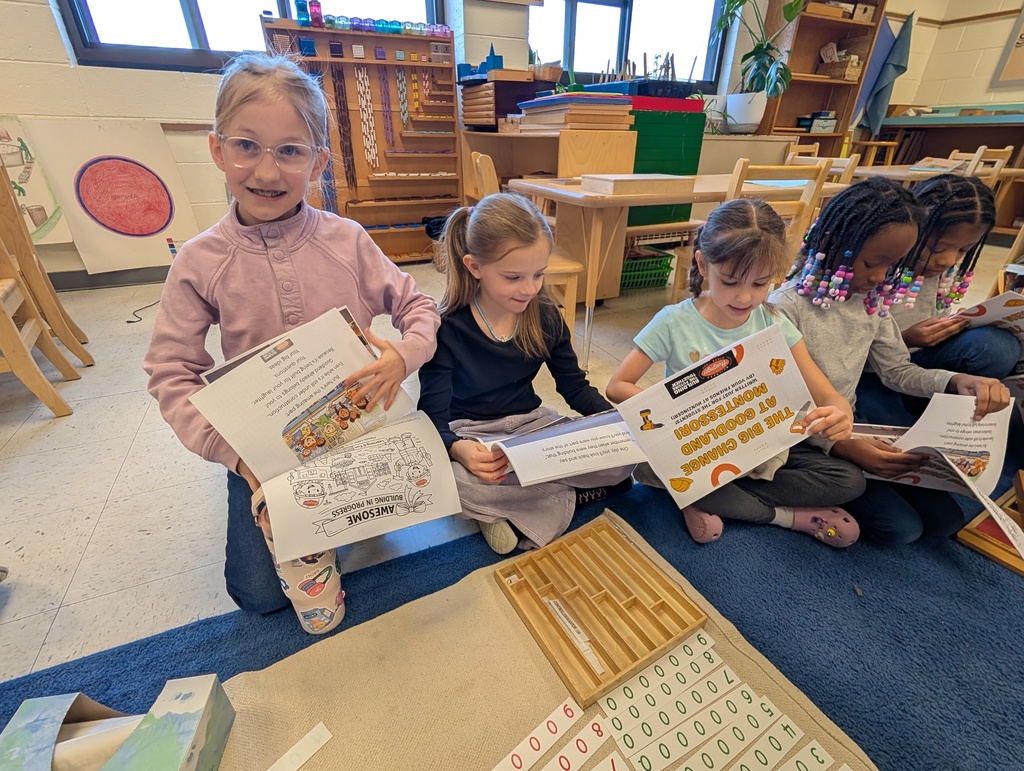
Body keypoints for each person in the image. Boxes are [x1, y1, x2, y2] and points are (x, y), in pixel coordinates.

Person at [143, 53, 440, 634]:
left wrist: (403, 355)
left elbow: (420, 307)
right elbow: (170, 372)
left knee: (401, 513)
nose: (268, 170)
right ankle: (290, 508)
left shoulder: (347, 240)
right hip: (264, 449)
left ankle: (339, 514)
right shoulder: (200, 261)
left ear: (318, 162)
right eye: (246, 146)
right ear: (217, 150)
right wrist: (237, 458)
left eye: (290, 150)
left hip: (354, 427)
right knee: (259, 596)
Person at [605, 199, 864, 546]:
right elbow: (618, 386)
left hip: (758, 447)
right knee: (654, 466)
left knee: (850, 481)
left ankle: (706, 497)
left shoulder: (773, 321)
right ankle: (783, 517)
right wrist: (679, 410)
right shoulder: (674, 321)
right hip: (697, 446)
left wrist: (841, 414)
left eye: (760, 284)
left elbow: (828, 394)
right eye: (729, 281)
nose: (744, 297)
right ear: (703, 264)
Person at [771, 177, 1010, 545]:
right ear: (833, 243)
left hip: (848, 427)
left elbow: (898, 369)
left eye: (893, 266)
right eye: (873, 263)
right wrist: (841, 446)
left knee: (944, 521)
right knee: (900, 528)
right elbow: (777, 401)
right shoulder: (784, 308)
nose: (881, 277)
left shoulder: (870, 301)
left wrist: (955, 380)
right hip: (802, 438)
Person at [417, 193, 633, 555]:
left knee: (624, 456)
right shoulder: (446, 329)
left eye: (539, 274)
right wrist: (457, 449)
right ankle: (569, 495)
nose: (530, 288)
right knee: (445, 481)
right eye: (514, 277)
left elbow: (575, 388)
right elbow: (431, 420)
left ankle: (508, 509)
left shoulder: (545, 315)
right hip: (473, 433)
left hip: (531, 427)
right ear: (474, 267)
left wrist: (617, 424)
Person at [856, 174, 1021, 426]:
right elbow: (847, 352)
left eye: (963, 250)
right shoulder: (873, 272)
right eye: (938, 248)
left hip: (915, 365)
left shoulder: (941, 274)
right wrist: (906, 338)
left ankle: (940, 403)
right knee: (889, 424)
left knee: (997, 346)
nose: (948, 260)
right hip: (871, 371)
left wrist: (952, 324)